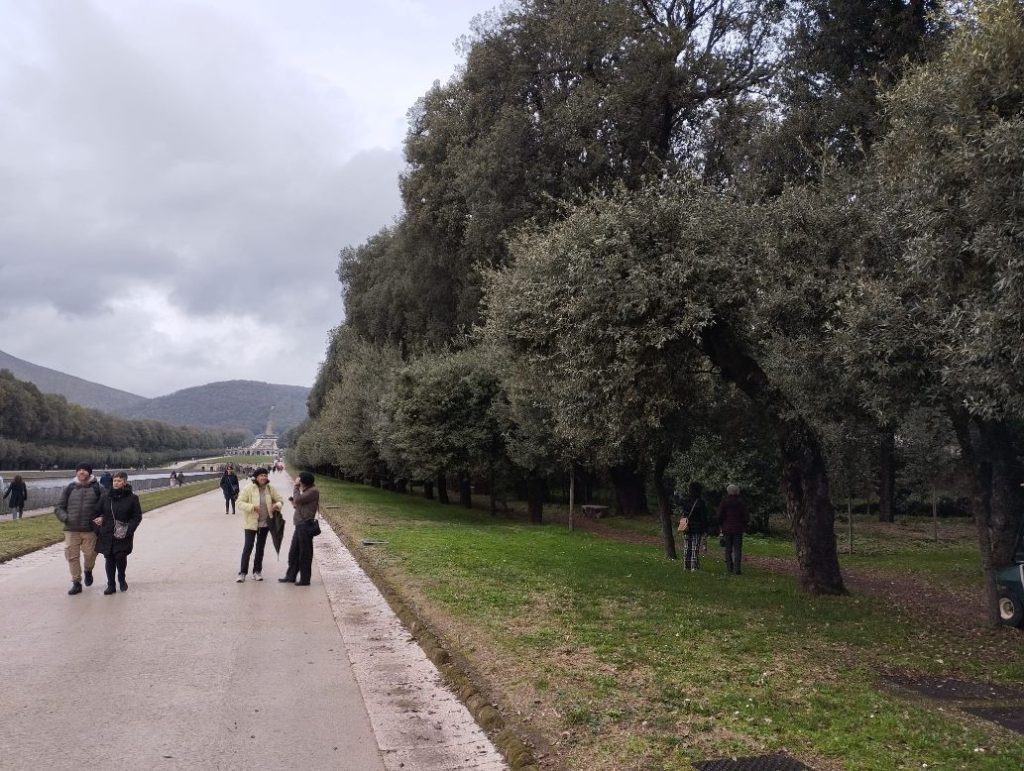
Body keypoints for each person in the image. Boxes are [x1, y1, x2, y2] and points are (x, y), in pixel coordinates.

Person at [55, 463, 108, 595]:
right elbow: (59, 507)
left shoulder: (98, 488)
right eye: (79, 470)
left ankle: (88, 570)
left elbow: (106, 507)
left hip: (90, 529)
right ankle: (76, 582)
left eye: (85, 470)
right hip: (71, 529)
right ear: (76, 472)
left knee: (90, 555)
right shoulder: (69, 488)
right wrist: (65, 518)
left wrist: (102, 518)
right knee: (72, 557)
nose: (82, 472)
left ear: (89, 473)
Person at [93, 471, 142, 595]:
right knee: (109, 559)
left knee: (120, 557)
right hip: (107, 533)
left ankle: (121, 578)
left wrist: (128, 529)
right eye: (115, 480)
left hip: (123, 533)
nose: (116, 483)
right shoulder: (105, 497)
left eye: (119, 481)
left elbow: (137, 517)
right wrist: (99, 524)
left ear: (124, 482)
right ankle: (111, 584)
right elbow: (96, 512)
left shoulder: (132, 498)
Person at [235, 467, 283, 582]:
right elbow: (239, 503)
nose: (264, 477)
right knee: (248, 547)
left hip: (265, 524)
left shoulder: (270, 489)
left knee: (260, 548)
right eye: (261, 475)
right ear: (256, 477)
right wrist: (252, 507)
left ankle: (257, 571)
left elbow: (280, 500)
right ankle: (242, 572)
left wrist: (277, 505)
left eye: (265, 475)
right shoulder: (248, 488)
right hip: (251, 523)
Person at [280, 471, 319, 586]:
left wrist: (296, 487)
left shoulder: (313, 491)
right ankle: (291, 576)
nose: (297, 480)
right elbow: (299, 504)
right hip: (299, 525)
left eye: (298, 478)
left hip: (305, 525)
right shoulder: (307, 491)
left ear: (303, 481)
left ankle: (305, 579)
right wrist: (295, 503)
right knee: (294, 552)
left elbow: (298, 500)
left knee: (304, 553)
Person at [677, 482, 711, 571]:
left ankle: (685, 565)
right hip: (697, 528)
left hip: (686, 527)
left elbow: (684, 512)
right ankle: (693, 566)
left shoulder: (686, 501)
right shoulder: (700, 503)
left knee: (686, 547)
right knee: (694, 548)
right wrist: (705, 529)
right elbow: (703, 517)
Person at [717, 483, 749, 575]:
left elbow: (719, 515)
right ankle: (737, 569)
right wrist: (744, 524)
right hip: (738, 529)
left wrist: (721, 524)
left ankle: (729, 568)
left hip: (726, 528)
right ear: (737, 492)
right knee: (738, 549)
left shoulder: (724, 501)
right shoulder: (741, 502)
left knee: (728, 549)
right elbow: (746, 516)